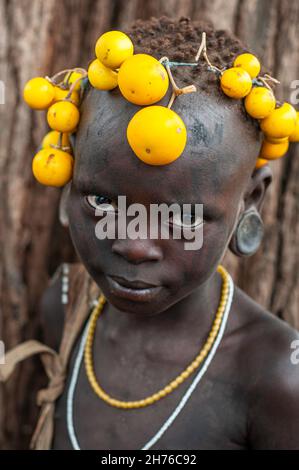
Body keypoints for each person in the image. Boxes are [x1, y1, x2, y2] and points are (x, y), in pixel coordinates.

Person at [1, 16, 299, 450]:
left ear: (249, 201)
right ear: (69, 182)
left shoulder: (276, 377)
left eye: (184, 216)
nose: (134, 244)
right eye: (103, 202)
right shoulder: (65, 307)